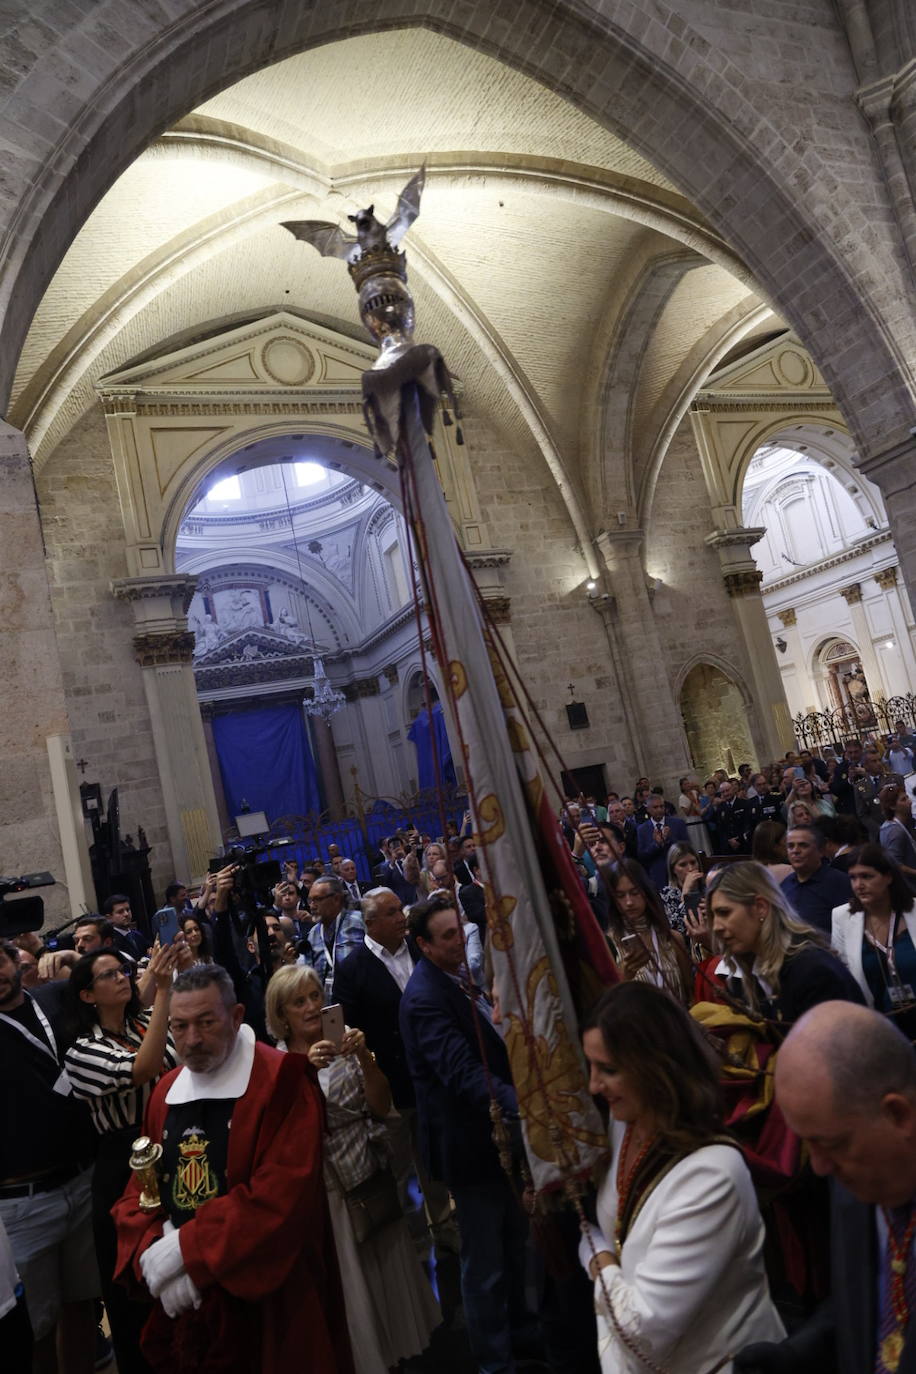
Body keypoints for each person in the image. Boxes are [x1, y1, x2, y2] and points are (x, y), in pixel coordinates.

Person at [112, 963, 352, 1374]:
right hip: (189, 1304)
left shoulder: (282, 1082)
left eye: (206, 1022)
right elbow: (141, 1185)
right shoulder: (166, 1091)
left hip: (266, 1295)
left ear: (237, 1016)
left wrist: (189, 1252)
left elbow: (281, 1195)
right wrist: (153, 1250)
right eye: (179, 1026)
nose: (192, 1040)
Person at [580, 981, 784, 1373]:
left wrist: (598, 1259)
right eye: (591, 1066)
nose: (593, 1085)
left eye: (608, 1069)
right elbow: (607, 1230)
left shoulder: (712, 1175)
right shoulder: (624, 1124)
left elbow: (645, 1332)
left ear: (656, 1068)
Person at [265, 964, 439, 1374]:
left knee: (388, 1278)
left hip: (369, 1174)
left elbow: (380, 1105)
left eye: (314, 997)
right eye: (299, 1002)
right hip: (326, 1192)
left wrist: (364, 1056)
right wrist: (305, 1071)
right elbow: (285, 1135)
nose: (311, 1008)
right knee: (352, 1289)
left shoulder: (344, 1045)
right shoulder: (276, 1066)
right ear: (281, 1014)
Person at [734, 1003, 916, 1373]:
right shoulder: (852, 1178)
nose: (818, 1166)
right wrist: (800, 1353)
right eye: (807, 1143)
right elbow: (865, 1295)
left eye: (830, 1144)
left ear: (897, 1114)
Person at [399, 893, 539, 1373]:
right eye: (448, 936)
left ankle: (523, 1335)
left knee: (514, 1245)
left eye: (460, 930)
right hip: (470, 1145)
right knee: (485, 1264)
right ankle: (495, 1362)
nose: (460, 941)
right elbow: (461, 1073)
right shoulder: (424, 998)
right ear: (423, 944)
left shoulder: (455, 978)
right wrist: (522, 1102)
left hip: (492, 1138)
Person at [64, 944, 180, 1374]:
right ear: (87, 996)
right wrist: (163, 989)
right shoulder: (81, 1051)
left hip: (168, 1140)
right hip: (122, 1164)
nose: (122, 979)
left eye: (124, 971)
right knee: (135, 1289)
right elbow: (143, 1069)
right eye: (109, 975)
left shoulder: (144, 1021)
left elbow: (178, 1058)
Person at [333, 887, 455, 1249]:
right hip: (391, 1082)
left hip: (432, 1074)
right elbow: (346, 1028)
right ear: (371, 923)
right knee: (401, 1168)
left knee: (434, 1158)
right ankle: (414, 1241)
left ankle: (445, 1226)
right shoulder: (353, 968)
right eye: (391, 912)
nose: (401, 916)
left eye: (400, 909)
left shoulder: (419, 948)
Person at [0, 939, 100, 1374]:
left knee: (83, 1306)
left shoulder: (54, 998)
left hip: (81, 1181)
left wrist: (78, 961)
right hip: (21, 1203)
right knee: (35, 1327)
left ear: (12, 962)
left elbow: (100, 986)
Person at [707, 861, 864, 1027]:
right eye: (713, 915)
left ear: (760, 907)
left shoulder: (813, 971)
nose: (716, 927)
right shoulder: (749, 972)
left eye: (724, 913)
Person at [830, 843, 916, 1039]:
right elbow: (845, 977)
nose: (858, 885)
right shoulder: (841, 917)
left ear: (888, 877)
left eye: (867, 876)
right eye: (853, 877)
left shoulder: (914, 911)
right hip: (878, 1026)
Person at [605, 860, 691, 1004]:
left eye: (634, 892)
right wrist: (624, 977)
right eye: (620, 896)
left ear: (646, 893)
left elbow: (690, 993)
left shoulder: (672, 938)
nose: (629, 902)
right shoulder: (608, 945)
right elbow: (609, 1003)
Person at [302, 876, 367, 1000]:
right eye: (310, 900)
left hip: (362, 999)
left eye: (317, 900)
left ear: (336, 899)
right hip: (330, 1008)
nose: (312, 906)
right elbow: (310, 974)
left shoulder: (359, 921)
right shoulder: (313, 934)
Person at [779, 826, 853, 933]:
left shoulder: (840, 883)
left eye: (803, 845)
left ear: (821, 850)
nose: (795, 851)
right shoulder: (785, 885)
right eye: (790, 846)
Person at [635, 793, 688, 889]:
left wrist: (668, 839)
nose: (659, 809)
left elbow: (686, 847)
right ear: (648, 809)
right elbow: (642, 856)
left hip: (679, 873)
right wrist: (656, 844)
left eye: (661, 806)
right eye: (655, 807)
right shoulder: (642, 829)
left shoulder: (678, 823)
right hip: (657, 876)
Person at [854, 748, 905, 842]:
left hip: (900, 828)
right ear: (866, 765)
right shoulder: (860, 786)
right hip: (878, 835)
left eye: (879, 760)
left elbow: (904, 801)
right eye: (874, 761)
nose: (879, 763)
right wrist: (879, 829)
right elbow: (862, 814)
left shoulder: (895, 779)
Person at [878, 782, 916, 889]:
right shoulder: (895, 832)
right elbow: (897, 865)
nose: (909, 801)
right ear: (892, 806)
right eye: (903, 800)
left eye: (907, 797)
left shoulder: (889, 826)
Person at [658, 841, 699, 936]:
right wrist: (685, 895)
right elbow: (675, 931)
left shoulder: (707, 887)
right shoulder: (666, 895)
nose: (690, 869)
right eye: (683, 865)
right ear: (673, 870)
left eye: (693, 862)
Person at [102, 894, 149, 961]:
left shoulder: (137, 935)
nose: (126, 914)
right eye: (120, 912)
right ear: (109, 918)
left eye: (128, 909)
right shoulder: (110, 941)